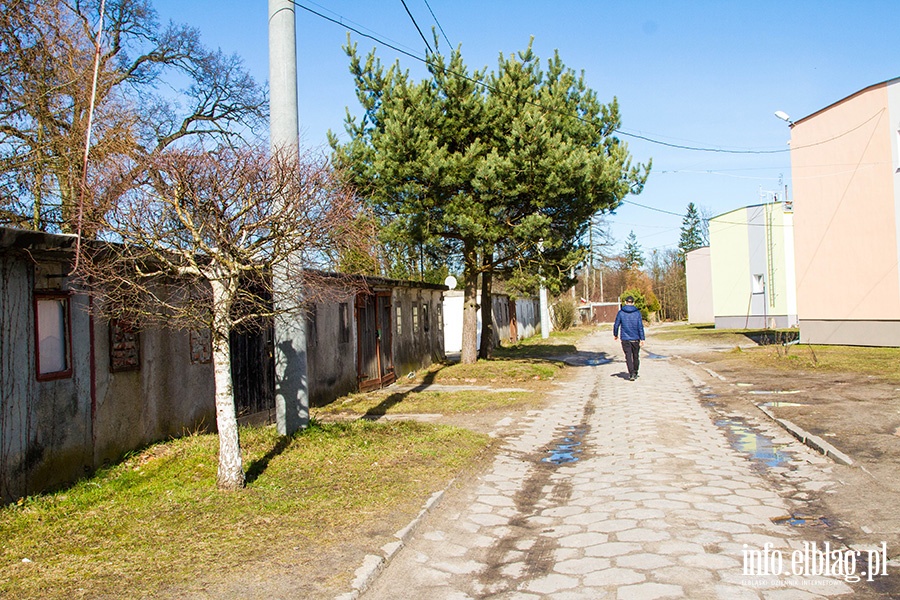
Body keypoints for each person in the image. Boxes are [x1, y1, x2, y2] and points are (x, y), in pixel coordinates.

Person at [613, 296, 645, 381]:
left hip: (625, 338)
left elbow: (616, 324)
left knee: (628, 356)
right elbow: (640, 326)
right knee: (635, 356)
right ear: (633, 303)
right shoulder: (637, 313)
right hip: (636, 338)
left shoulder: (621, 312)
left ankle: (631, 374)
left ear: (626, 302)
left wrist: (615, 334)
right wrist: (642, 338)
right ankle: (635, 372)